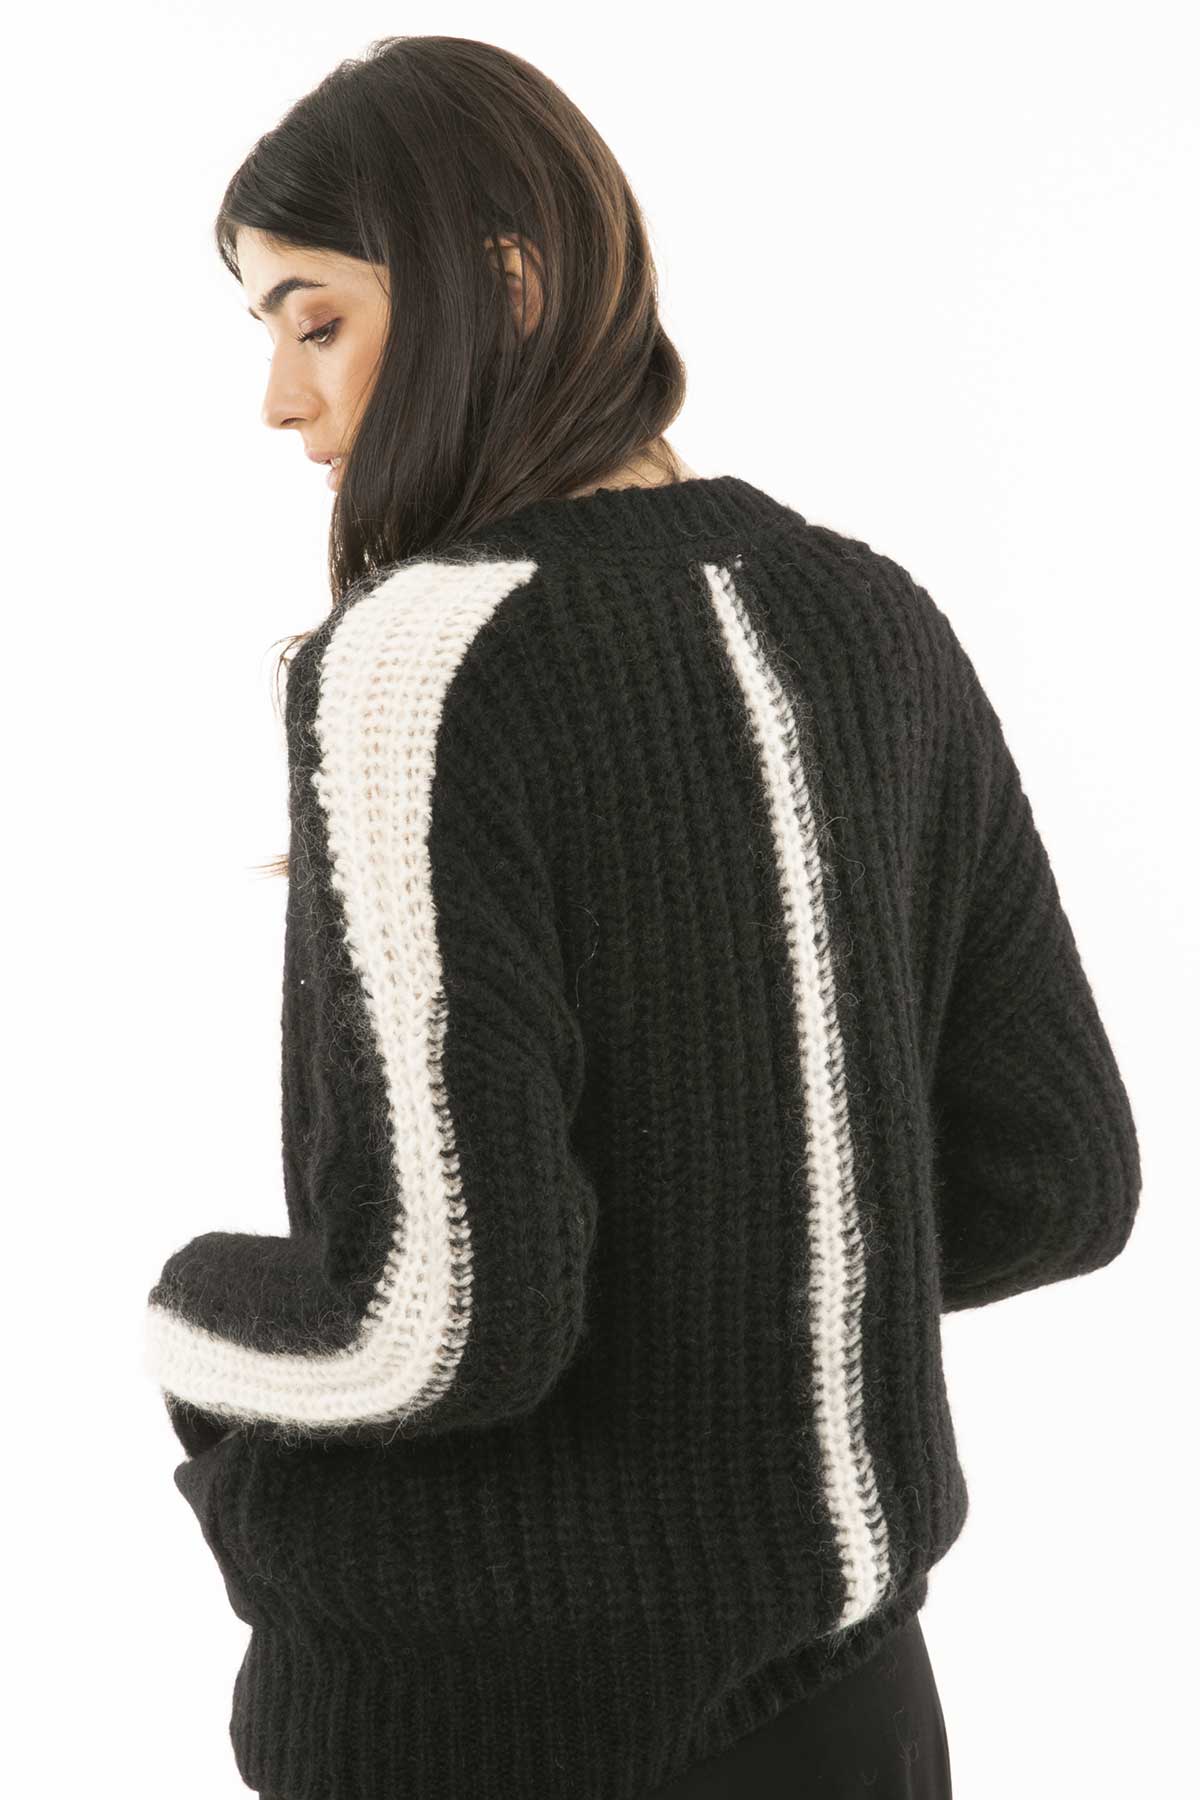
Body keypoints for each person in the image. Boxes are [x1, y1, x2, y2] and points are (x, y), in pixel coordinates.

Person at [143, 33, 1141, 1800]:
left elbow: (435, 1320)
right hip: (860, 1702)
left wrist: (185, 1317)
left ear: (508, 286)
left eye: (318, 320)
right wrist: (746, 1277)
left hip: (503, 1725)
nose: (282, 403)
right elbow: (1053, 1179)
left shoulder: (422, 662)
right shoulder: (873, 616)